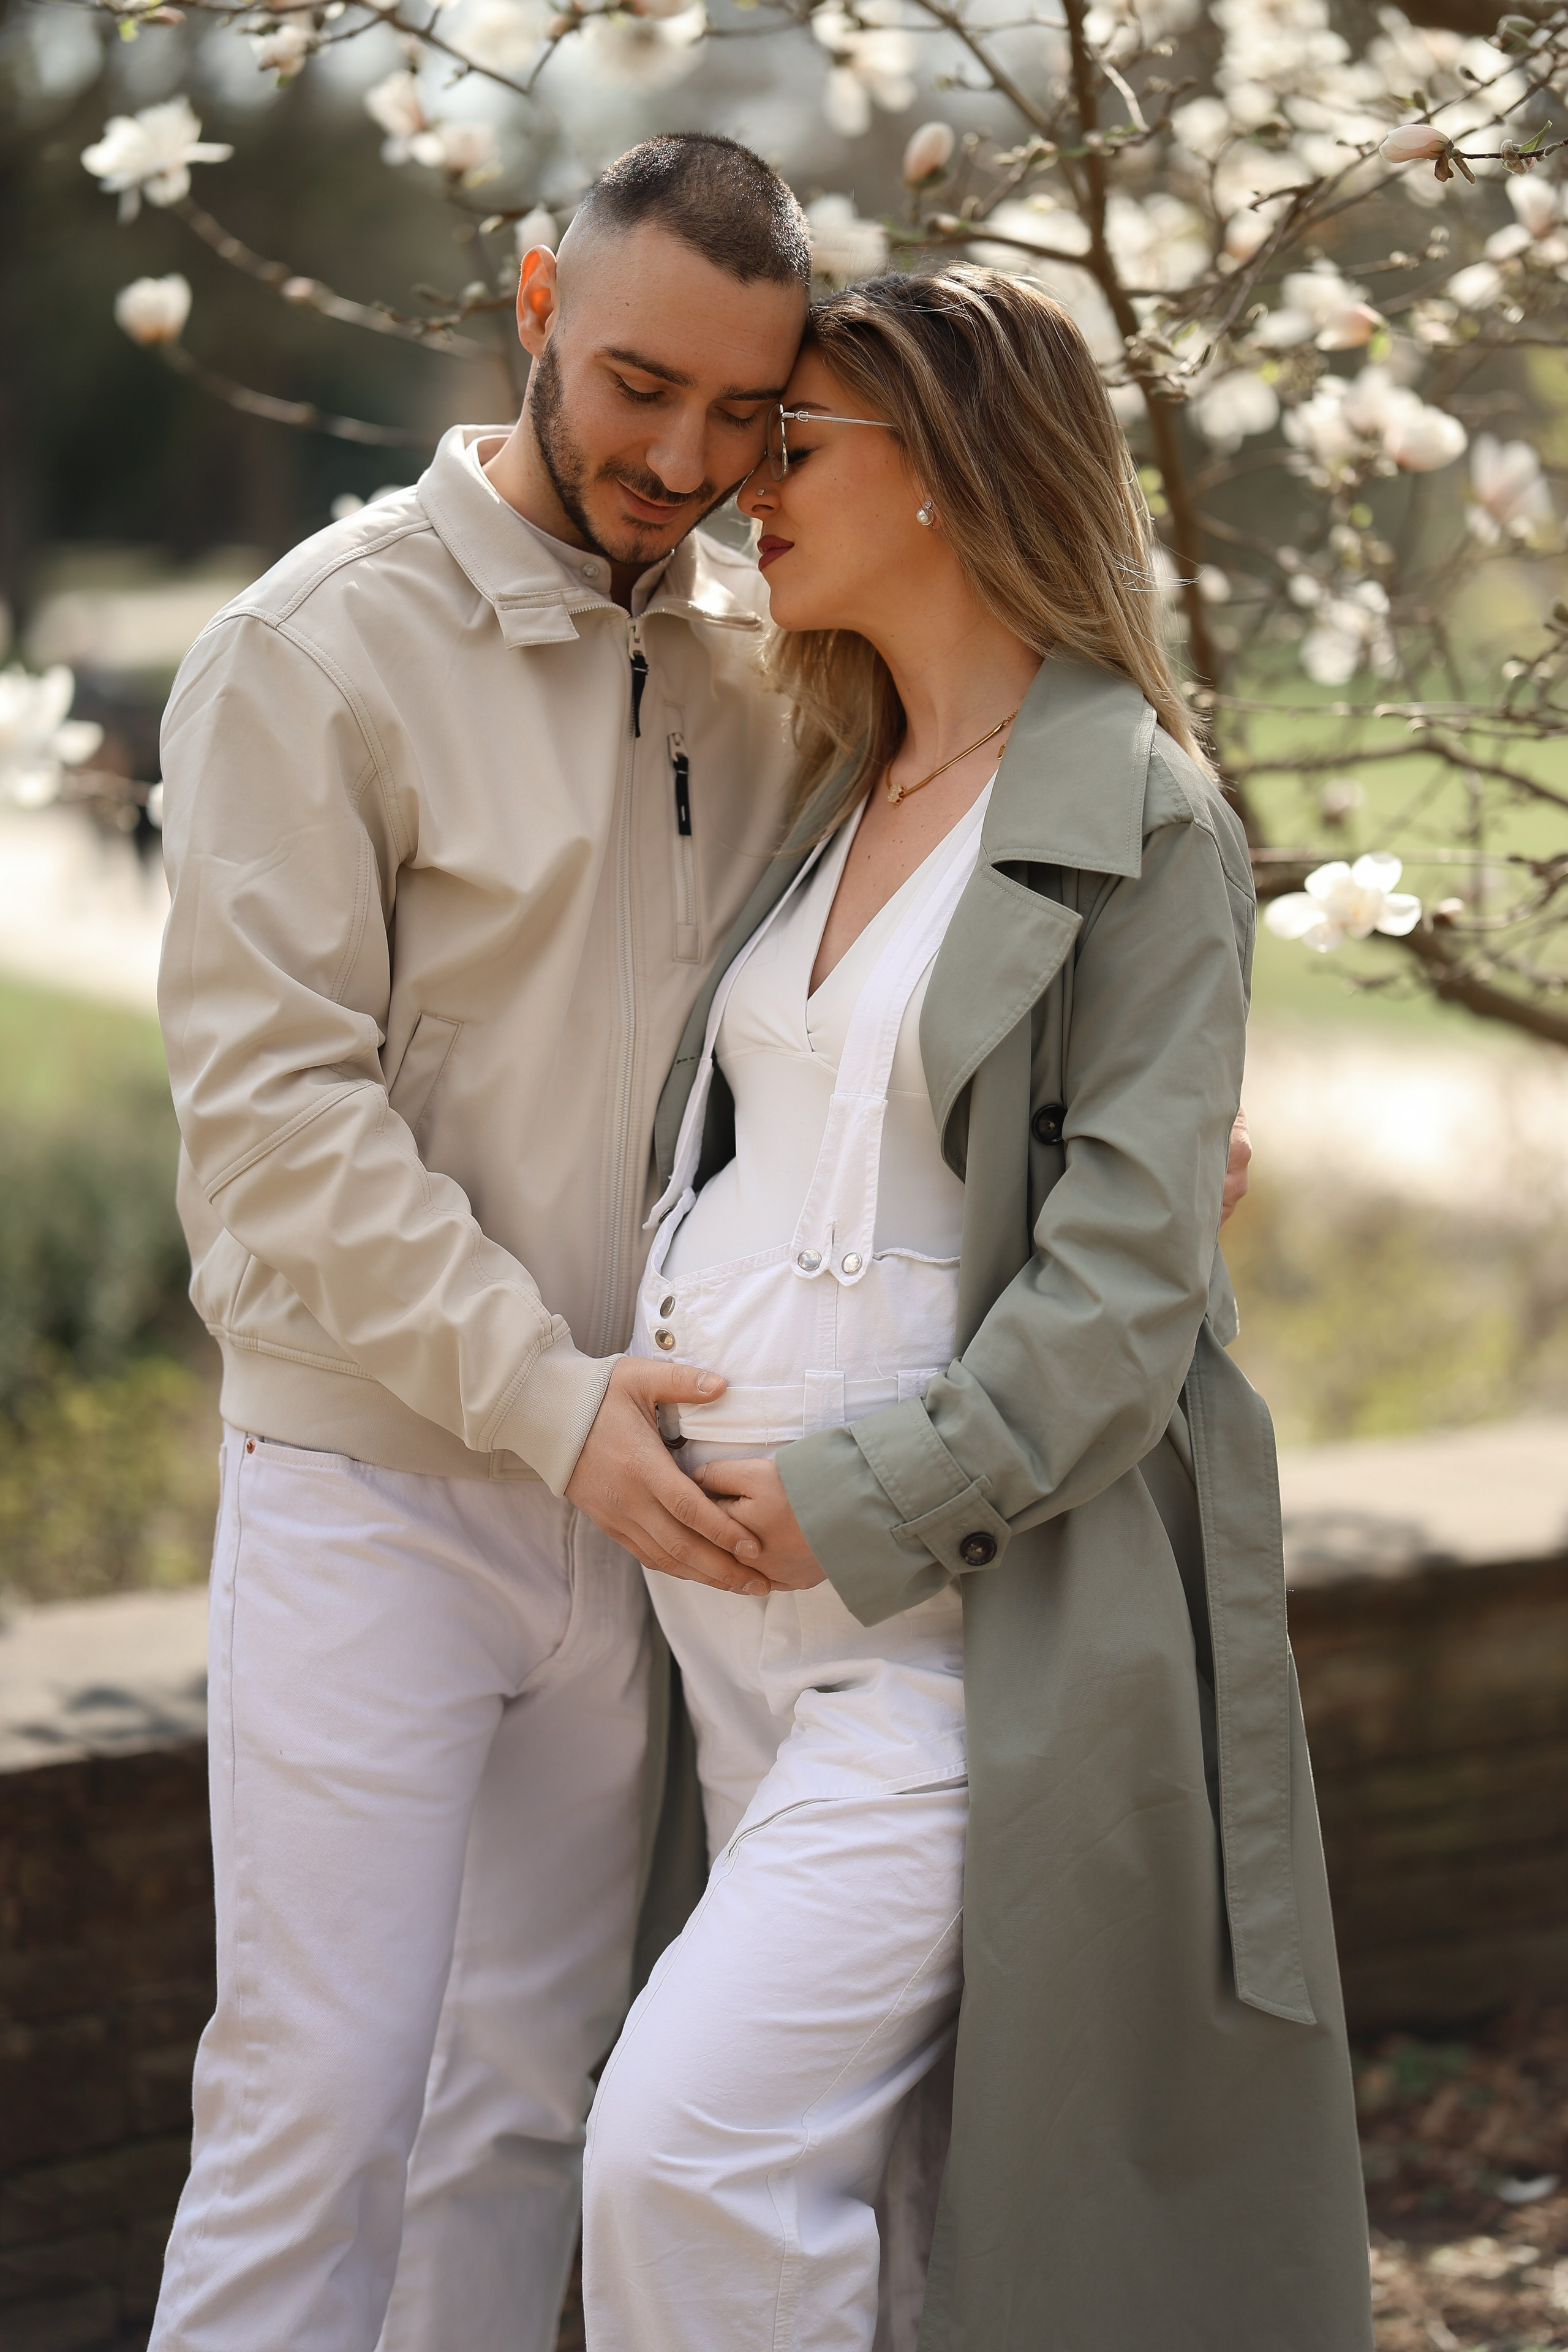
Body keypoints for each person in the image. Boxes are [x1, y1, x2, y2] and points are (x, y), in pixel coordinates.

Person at [580, 268, 1373, 2351]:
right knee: (897, 2209)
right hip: (724, 1635)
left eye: (795, 443)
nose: (746, 482)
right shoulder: (842, 784)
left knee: (682, 2156)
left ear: (940, 472)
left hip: (948, 1644)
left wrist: (848, 1497)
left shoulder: (1143, 817)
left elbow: (1120, 1294)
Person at [149, 135, 812, 2352]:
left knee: (523, 2106)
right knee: (312, 2106)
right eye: (639, 384)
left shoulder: (758, 658)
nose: (686, 459)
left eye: (745, 414)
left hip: (631, 1505)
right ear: (535, 296)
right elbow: (271, 1121)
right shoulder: (308, 653)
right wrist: (548, 1405)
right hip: (375, 1492)